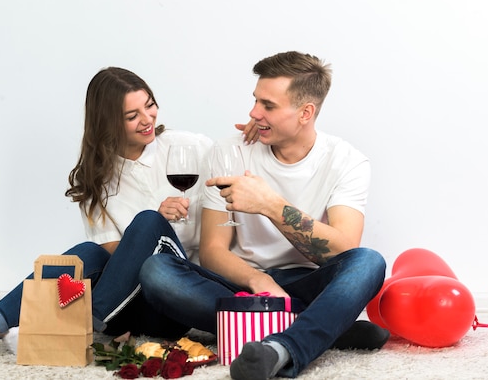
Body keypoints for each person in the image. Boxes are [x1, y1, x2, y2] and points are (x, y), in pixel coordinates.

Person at [0, 66, 257, 368]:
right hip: (129, 307)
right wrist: (154, 222)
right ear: (108, 123)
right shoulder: (99, 180)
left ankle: (70, 328)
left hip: (175, 295)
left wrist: (253, 134)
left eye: (150, 105)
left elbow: (235, 162)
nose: (147, 119)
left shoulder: (189, 147)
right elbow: (117, 258)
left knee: (146, 222)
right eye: (132, 116)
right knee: (91, 251)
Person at [139, 51, 390, 379]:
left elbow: (344, 250)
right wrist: (260, 281)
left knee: (370, 262)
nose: (254, 112)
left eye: (268, 106)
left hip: (306, 281)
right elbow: (214, 250)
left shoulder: (347, 162)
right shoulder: (230, 152)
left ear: (305, 112)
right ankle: (325, 327)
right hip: (240, 284)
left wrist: (270, 205)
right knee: (157, 270)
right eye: (256, 100)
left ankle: (281, 349)